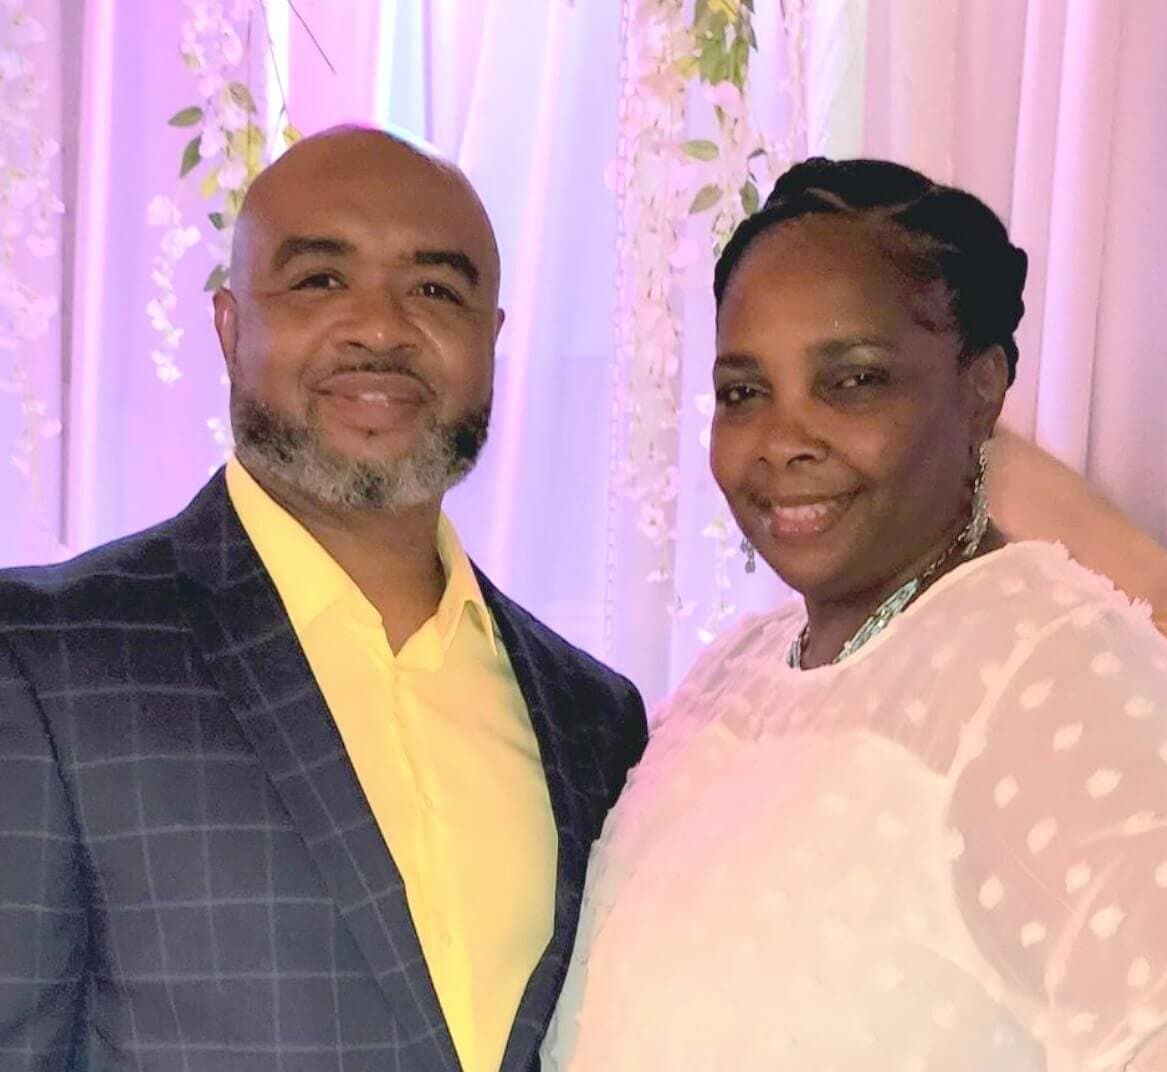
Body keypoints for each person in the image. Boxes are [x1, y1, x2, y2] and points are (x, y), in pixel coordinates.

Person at [0, 127, 647, 1072]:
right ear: (229, 328)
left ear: (491, 338)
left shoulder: (595, 716)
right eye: (319, 280)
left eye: (436, 290)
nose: (380, 329)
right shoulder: (47, 659)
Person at [542, 158, 1167, 1070]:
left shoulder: (1056, 676)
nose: (782, 440)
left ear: (980, 389)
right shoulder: (734, 673)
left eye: (852, 381)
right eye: (743, 392)